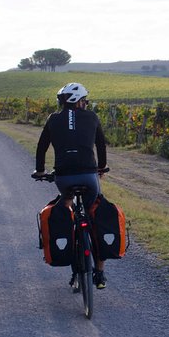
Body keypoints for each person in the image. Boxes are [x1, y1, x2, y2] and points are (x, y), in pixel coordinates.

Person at [32, 82, 109, 289]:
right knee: (95, 213)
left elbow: (41, 147)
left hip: (63, 178)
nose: (86, 104)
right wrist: (101, 168)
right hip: (89, 177)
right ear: (78, 101)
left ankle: (71, 243)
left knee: (66, 206)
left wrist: (40, 171)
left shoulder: (53, 119)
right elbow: (101, 145)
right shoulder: (92, 117)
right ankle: (99, 272)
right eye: (85, 100)